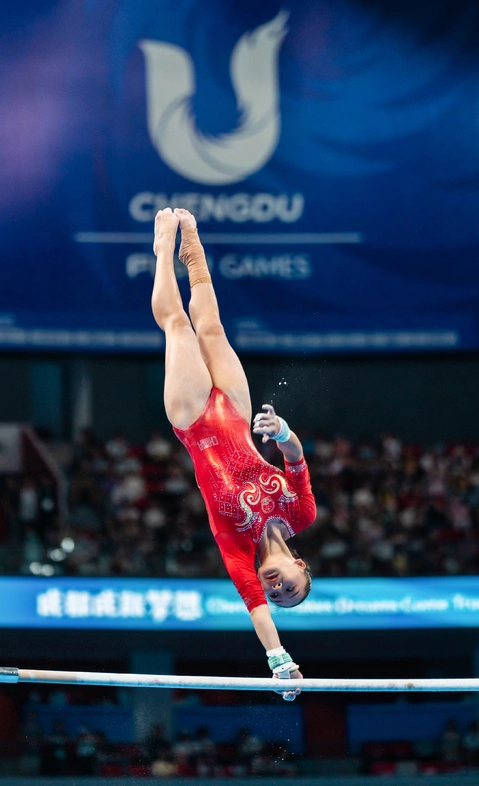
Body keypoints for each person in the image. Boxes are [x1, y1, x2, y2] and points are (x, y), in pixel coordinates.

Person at [151, 207, 316, 698]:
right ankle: (192, 245)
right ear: (301, 566)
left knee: (179, 327)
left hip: (195, 421)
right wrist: (282, 430)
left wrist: (280, 661)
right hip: (238, 414)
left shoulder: (238, 550)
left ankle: (162, 249)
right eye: (290, 587)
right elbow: (296, 459)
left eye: (276, 594)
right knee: (213, 328)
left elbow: (255, 609)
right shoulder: (301, 514)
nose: (276, 588)